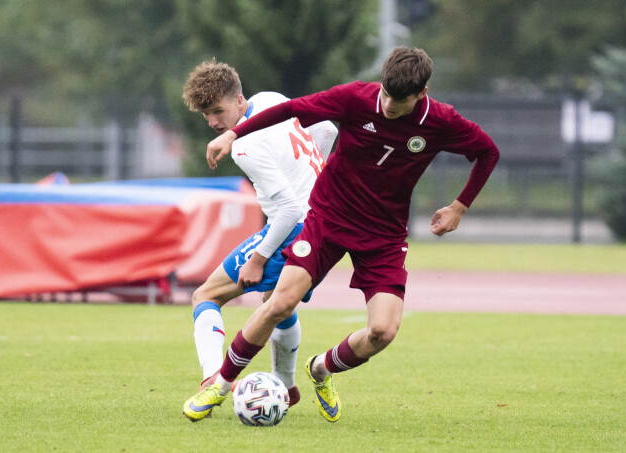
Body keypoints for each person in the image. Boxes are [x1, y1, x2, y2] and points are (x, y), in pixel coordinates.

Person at [183, 47, 500, 422]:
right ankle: (220, 385)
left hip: (383, 234)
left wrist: (459, 206)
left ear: (421, 94)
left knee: (382, 331)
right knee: (280, 303)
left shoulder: (441, 121)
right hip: (327, 219)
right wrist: (233, 133)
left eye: (398, 103)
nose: (387, 106)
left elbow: (487, 152)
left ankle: (320, 369)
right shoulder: (356, 98)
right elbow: (292, 110)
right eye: (384, 95)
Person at [180, 59, 338, 420]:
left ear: (239, 100)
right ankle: (286, 386)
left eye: (217, 111)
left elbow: (286, 208)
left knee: (205, 294)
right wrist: (316, 182)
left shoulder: (244, 146)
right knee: (276, 301)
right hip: (323, 226)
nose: (213, 123)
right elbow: (327, 130)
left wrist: (259, 257)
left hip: (293, 227)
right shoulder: (270, 99)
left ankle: (211, 380)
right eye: (206, 115)